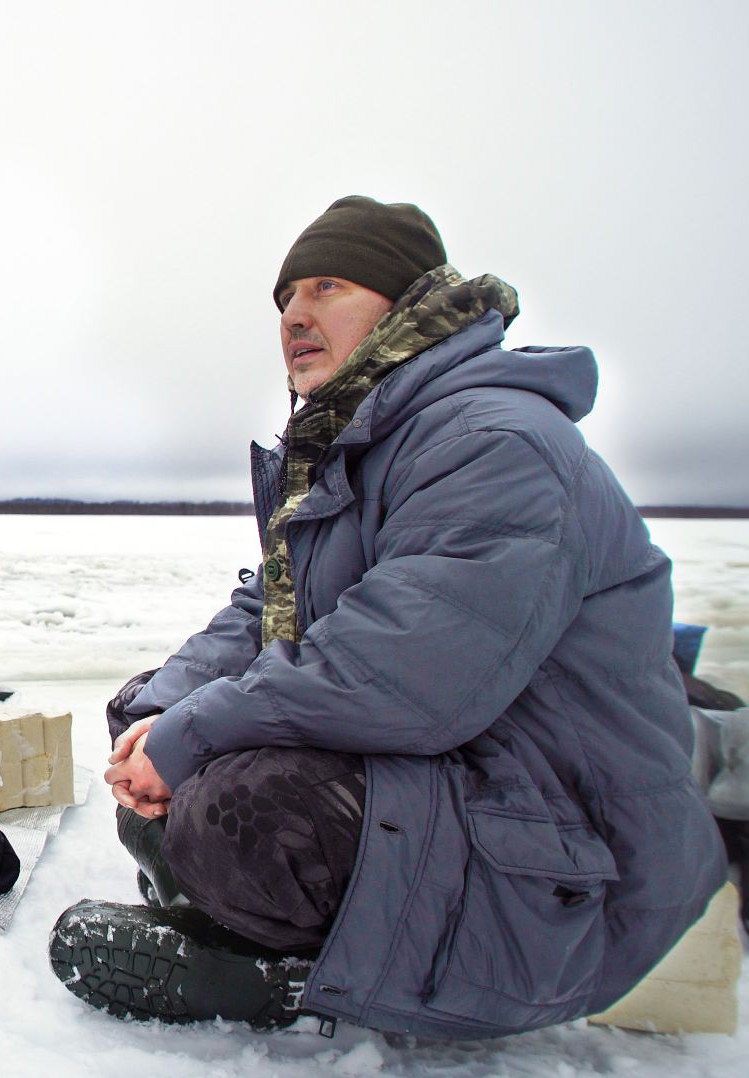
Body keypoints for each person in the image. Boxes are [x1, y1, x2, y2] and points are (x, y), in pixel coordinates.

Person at [47, 197, 727, 1038]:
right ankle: (234, 895)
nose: (294, 315)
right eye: (286, 298)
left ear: (405, 300)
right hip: (462, 794)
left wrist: (191, 740)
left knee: (240, 810)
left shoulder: (492, 442)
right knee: (159, 731)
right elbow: (269, 611)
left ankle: (279, 978)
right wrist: (159, 715)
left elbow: (401, 672)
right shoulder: (371, 445)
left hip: (566, 871)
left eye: (326, 286)